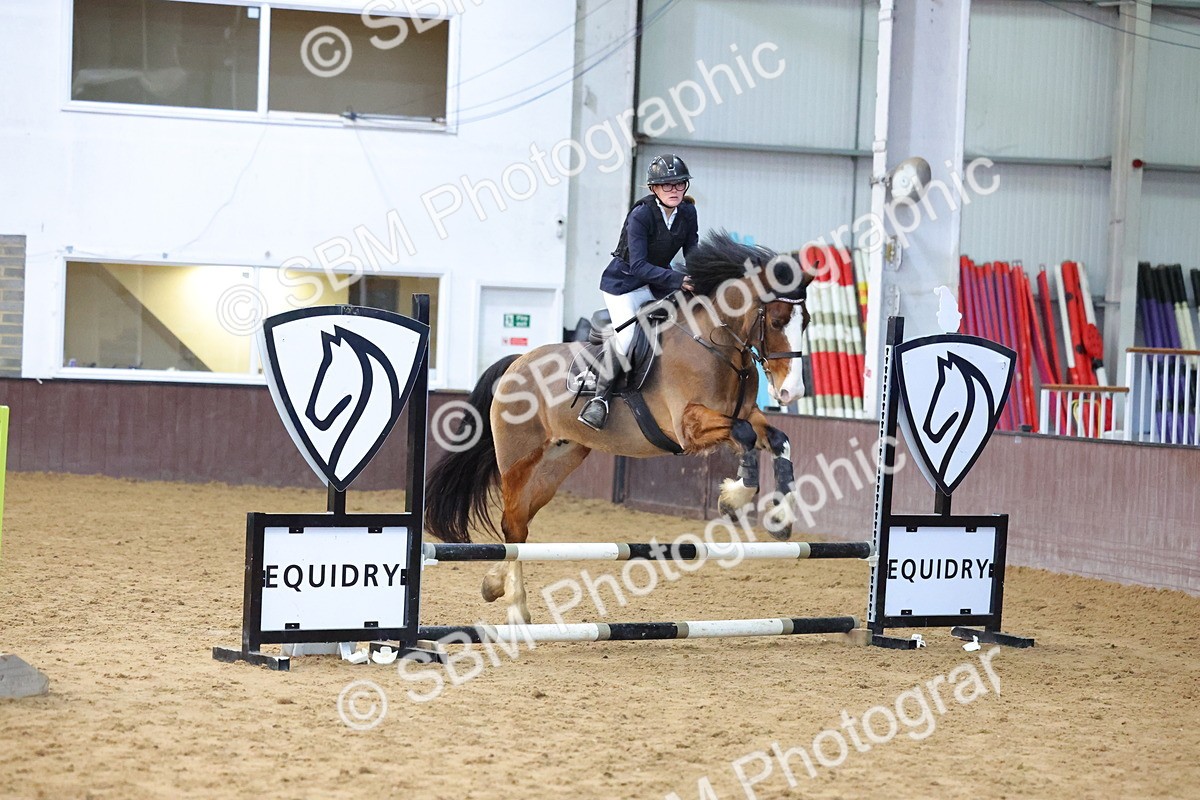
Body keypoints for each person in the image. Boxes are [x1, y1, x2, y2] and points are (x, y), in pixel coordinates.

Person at [577, 154, 698, 430]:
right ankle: (599, 400)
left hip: (657, 284)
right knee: (627, 337)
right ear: (654, 188)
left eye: (679, 184)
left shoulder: (688, 213)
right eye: (667, 185)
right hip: (624, 285)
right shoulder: (641, 215)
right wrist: (678, 279)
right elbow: (639, 266)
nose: (674, 190)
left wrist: (703, 277)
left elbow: (692, 252)